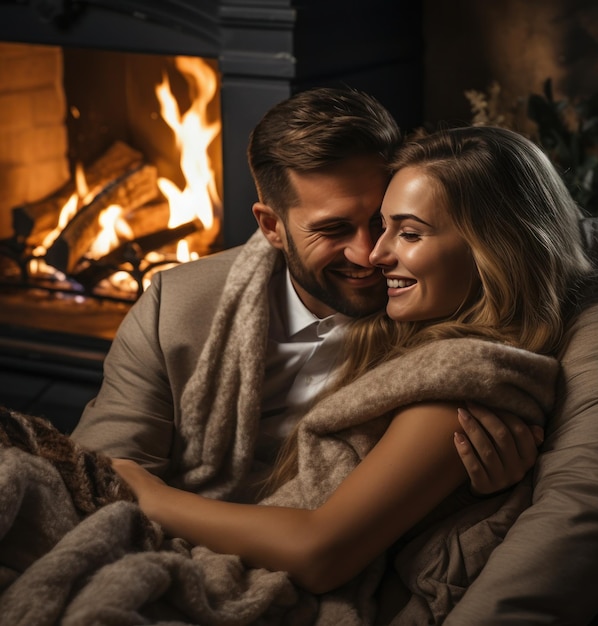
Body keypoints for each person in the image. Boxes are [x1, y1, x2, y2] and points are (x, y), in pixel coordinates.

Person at [110, 125, 592, 618]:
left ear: (493, 247)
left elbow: (321, 553)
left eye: (407, 232)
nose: (375, 255)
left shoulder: (466, 379)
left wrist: (146, 493)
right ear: (272, 226)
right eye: (380, 227)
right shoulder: (422, 332)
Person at [71, 87, 538, 502]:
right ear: (272, 226)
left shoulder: (444, 305)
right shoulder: (174, 305)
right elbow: (103, 474)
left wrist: (477, 490)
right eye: (333, 229)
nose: (368, 252)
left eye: (381, 220)